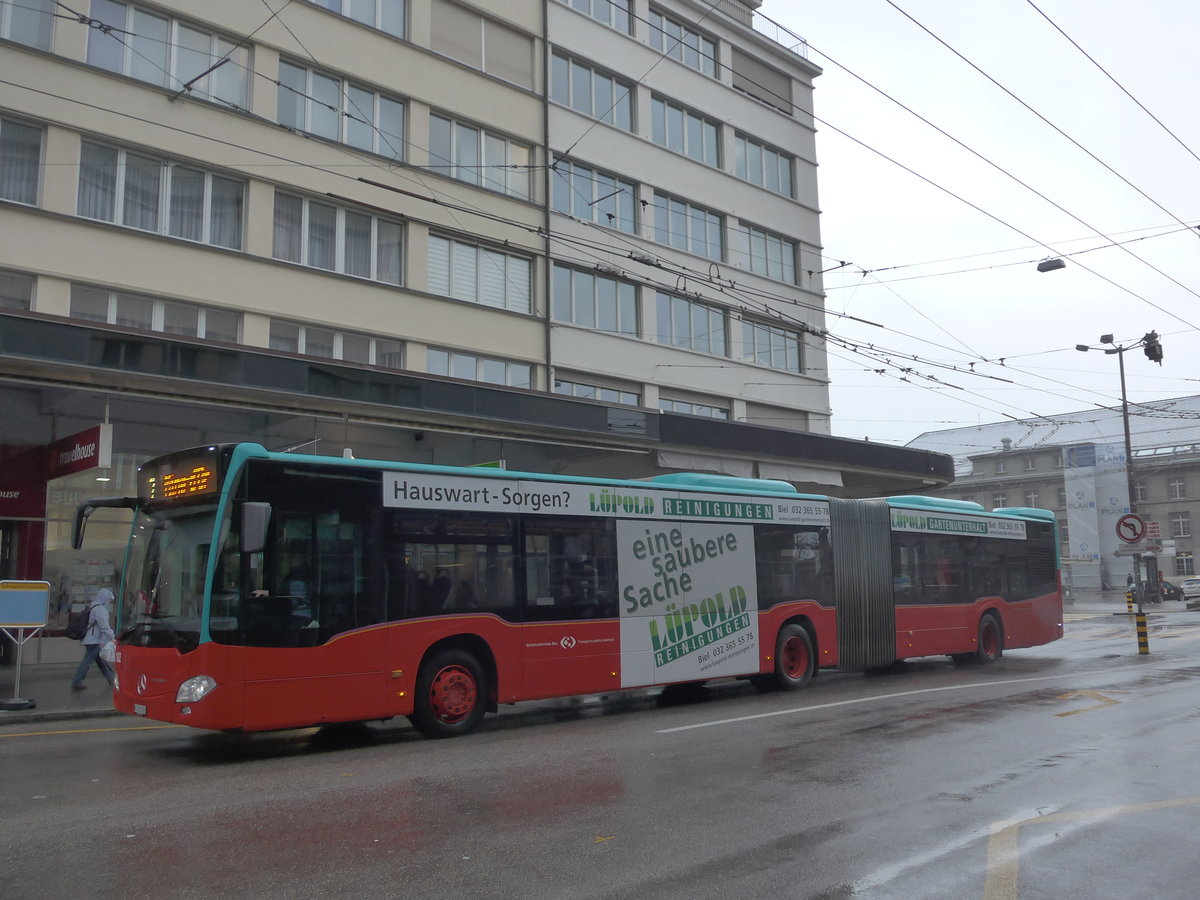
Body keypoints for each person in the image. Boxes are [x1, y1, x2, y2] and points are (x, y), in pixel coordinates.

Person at [71, 580, 116, 690]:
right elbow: (104, 626)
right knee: (88, 661)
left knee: (99, 660)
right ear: (105, 599)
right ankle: (77, 681)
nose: (109, 602)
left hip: (90, 639)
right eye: (109, 600)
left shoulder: (93, 606)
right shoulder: (100, 610)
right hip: (93, 640)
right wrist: (113, 637)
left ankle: (112, 678)